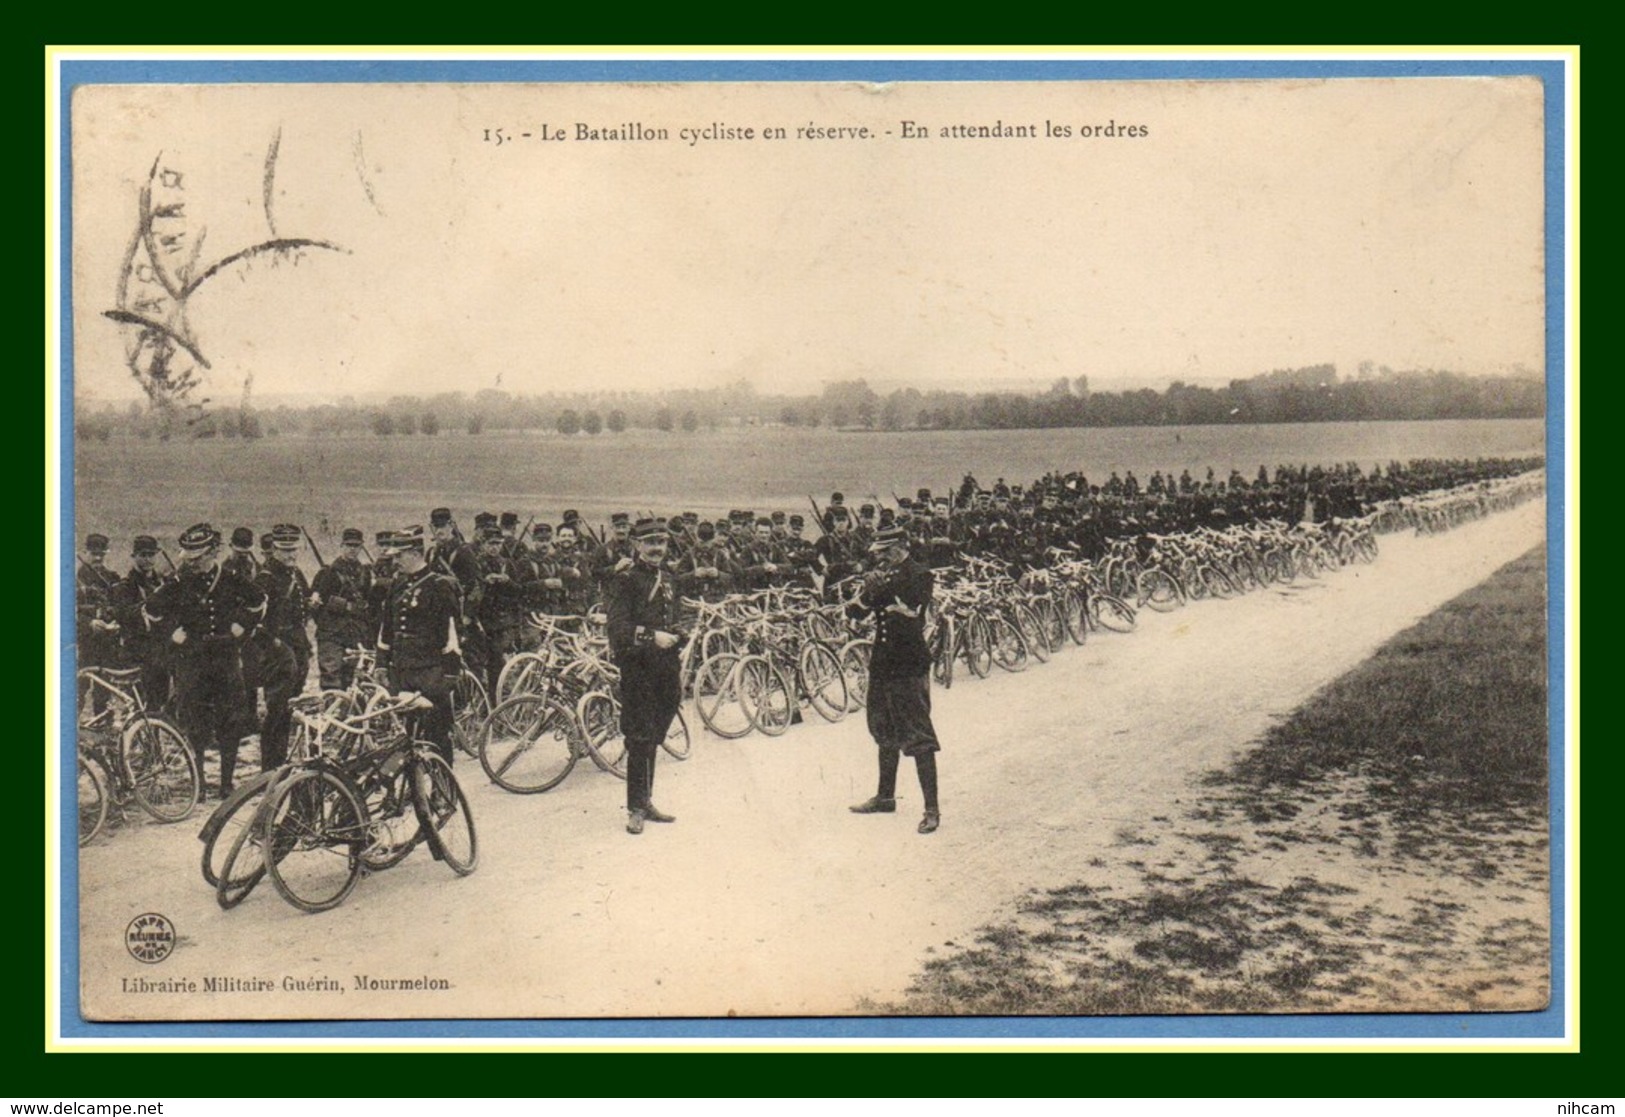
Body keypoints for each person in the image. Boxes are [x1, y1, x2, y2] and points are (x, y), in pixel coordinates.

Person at [143, 523, 267, 798]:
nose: (193, 563)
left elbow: (258, 601)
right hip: (191, 661)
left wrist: (242, 627)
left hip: (225, 658)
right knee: (194, 721)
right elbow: (152, 610)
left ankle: (226, 783)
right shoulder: (177, 582)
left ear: (212, 553)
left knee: (231, 720)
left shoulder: (231, 579)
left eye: (198, 558)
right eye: (189, 558)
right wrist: (172, 633)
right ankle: (198, 782)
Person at [847, 524, 942, 834]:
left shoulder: (919, 574)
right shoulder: (883, 576)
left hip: (908, 664)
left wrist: (884, 588)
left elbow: (912, 610)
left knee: (918, 735)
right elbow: (855, 615)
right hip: (883, 664)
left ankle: (931, 809)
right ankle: (886, 797)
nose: (882, 558)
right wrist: (866, 592)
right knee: (883, 729)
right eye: (879, 554)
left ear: (902, 546)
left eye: (887, 552)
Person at [604, 517, 686, 835]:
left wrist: (679, 631)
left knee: (654, 734)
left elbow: (674, 613)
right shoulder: (625, 580)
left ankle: (646, 799)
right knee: (640, 737)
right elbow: (617, 629)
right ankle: (637, 808)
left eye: (661, 543)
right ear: (637, 545)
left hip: (666, 666)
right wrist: (653, 637)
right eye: (650, 542)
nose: (657, 549)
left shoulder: (669, 576)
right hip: (638, 668)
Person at [375, 526, 463, 766]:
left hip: (430, 674)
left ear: (415, 553)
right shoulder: (398, 585)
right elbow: (387, 628)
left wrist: (450, 675)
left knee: (436, 736)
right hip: (402, 673)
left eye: (399, 556)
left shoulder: (438, 586)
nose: (395, 561)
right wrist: (381, 664)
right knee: (405, 739)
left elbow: (452, 633)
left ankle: (443, 793)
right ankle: (413, 791)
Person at [311, 527, 374, 689]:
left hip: (355, 632)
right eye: (349, 545)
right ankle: (332, 711)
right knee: (331, 676)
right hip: (332, 634)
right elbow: (316, 603)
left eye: (356, 546)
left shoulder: (364, 573)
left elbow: (367, 601)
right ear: (342, 546)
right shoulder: (328, 572)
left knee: (352, 677)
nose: (353, 549)